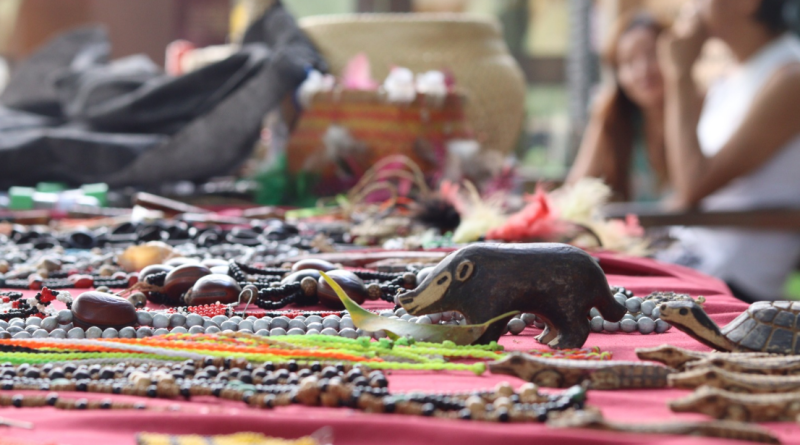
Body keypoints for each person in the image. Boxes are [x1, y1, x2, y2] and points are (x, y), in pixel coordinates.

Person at [658, 0, 800, 302]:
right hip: (693, 256)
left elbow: (692, 184)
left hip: (733, 280)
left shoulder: (791, 77)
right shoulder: (731, 76)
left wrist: (680, 75)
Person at [567, 11, 669, 202]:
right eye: (629, 62)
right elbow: (576, 187)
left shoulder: (701, 110)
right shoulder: (611, 115)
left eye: (652, 54)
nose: (643, 70)